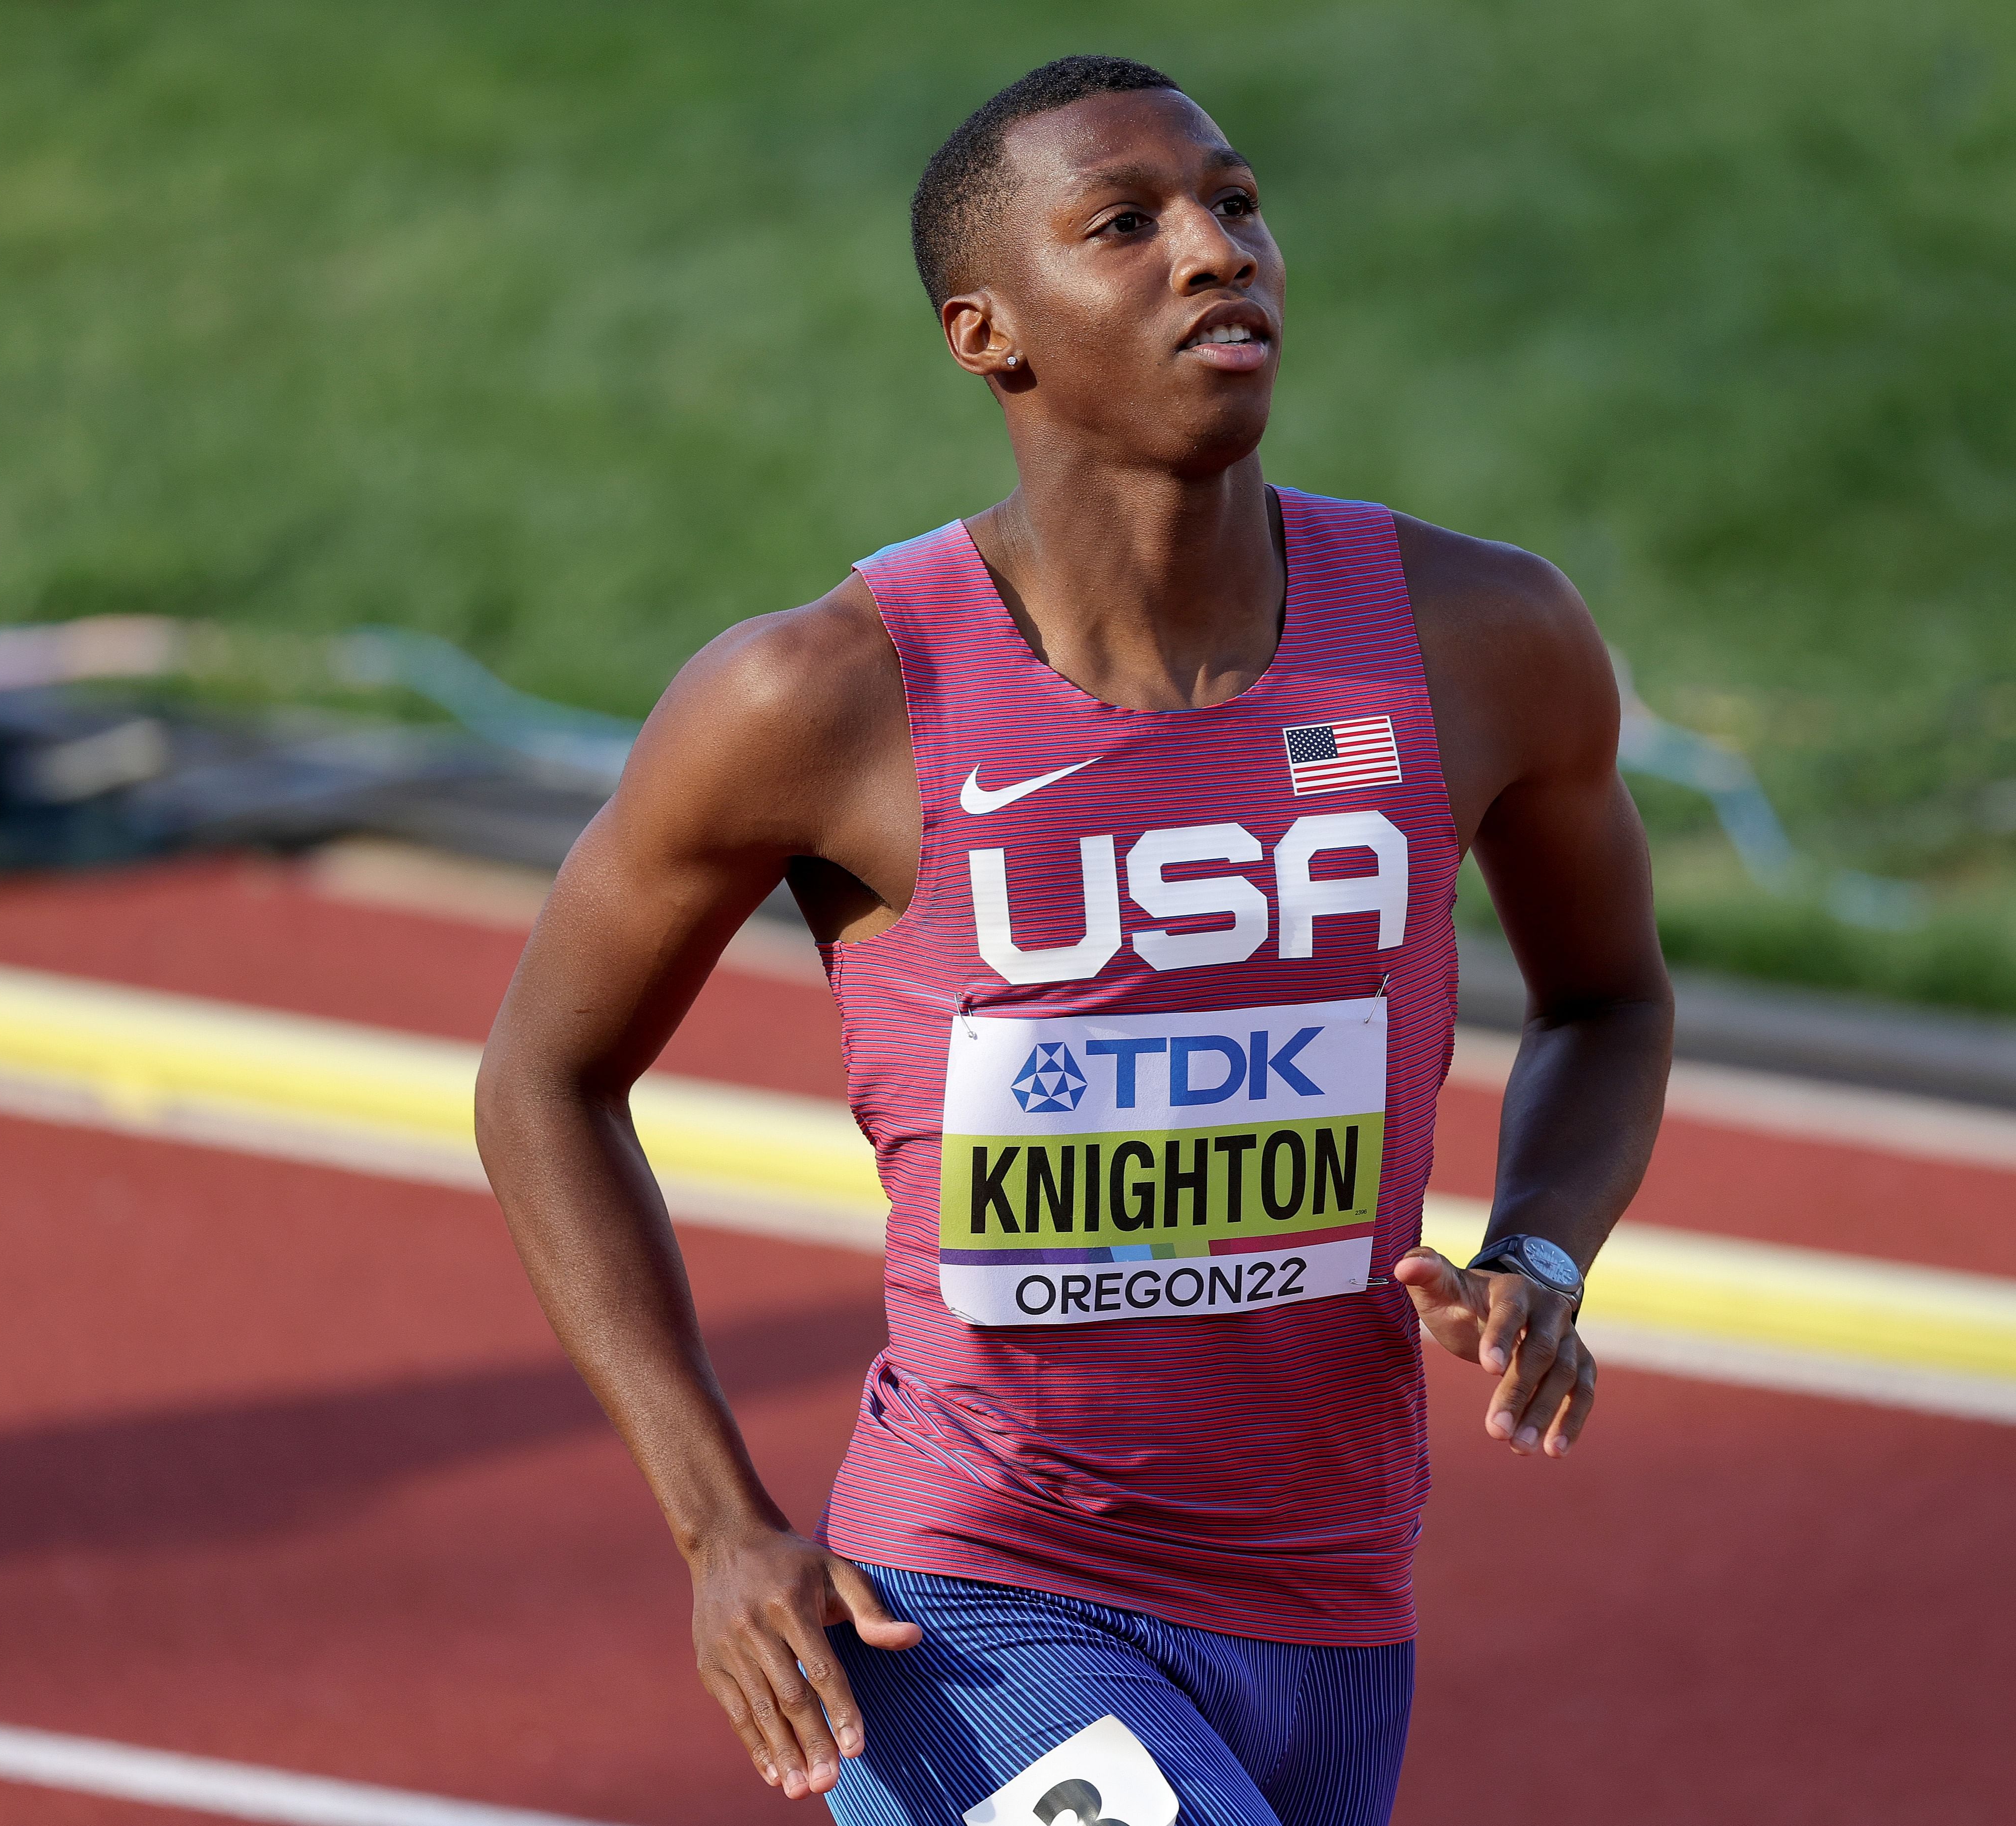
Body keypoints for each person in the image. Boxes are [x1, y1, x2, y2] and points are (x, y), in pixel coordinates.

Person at [476, 54, 1671, 1826]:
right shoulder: (821, 694)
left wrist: (1546, 1255)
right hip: (974, 1594)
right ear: (989, 334)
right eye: (1129, 225)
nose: (1217, 251)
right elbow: (543, 1079)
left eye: (1239, 205)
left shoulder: (1479, 640)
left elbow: (1609, 995)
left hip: (1335, 1599)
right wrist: (721, 1525)